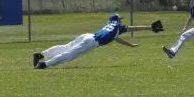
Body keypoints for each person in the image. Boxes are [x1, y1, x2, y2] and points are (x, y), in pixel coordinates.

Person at [33, 13, 163, 69]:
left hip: (87, 35)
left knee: (65, 47)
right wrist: (149, 27)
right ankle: (45, 64)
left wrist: (130, 45)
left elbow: (116, 39)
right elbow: (133, 28)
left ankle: (41, 55)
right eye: (120, 19)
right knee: (69, 55)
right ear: (117, 20)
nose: (121, 21)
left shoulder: (110, 25)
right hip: (92, 41)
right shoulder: (118, 27)